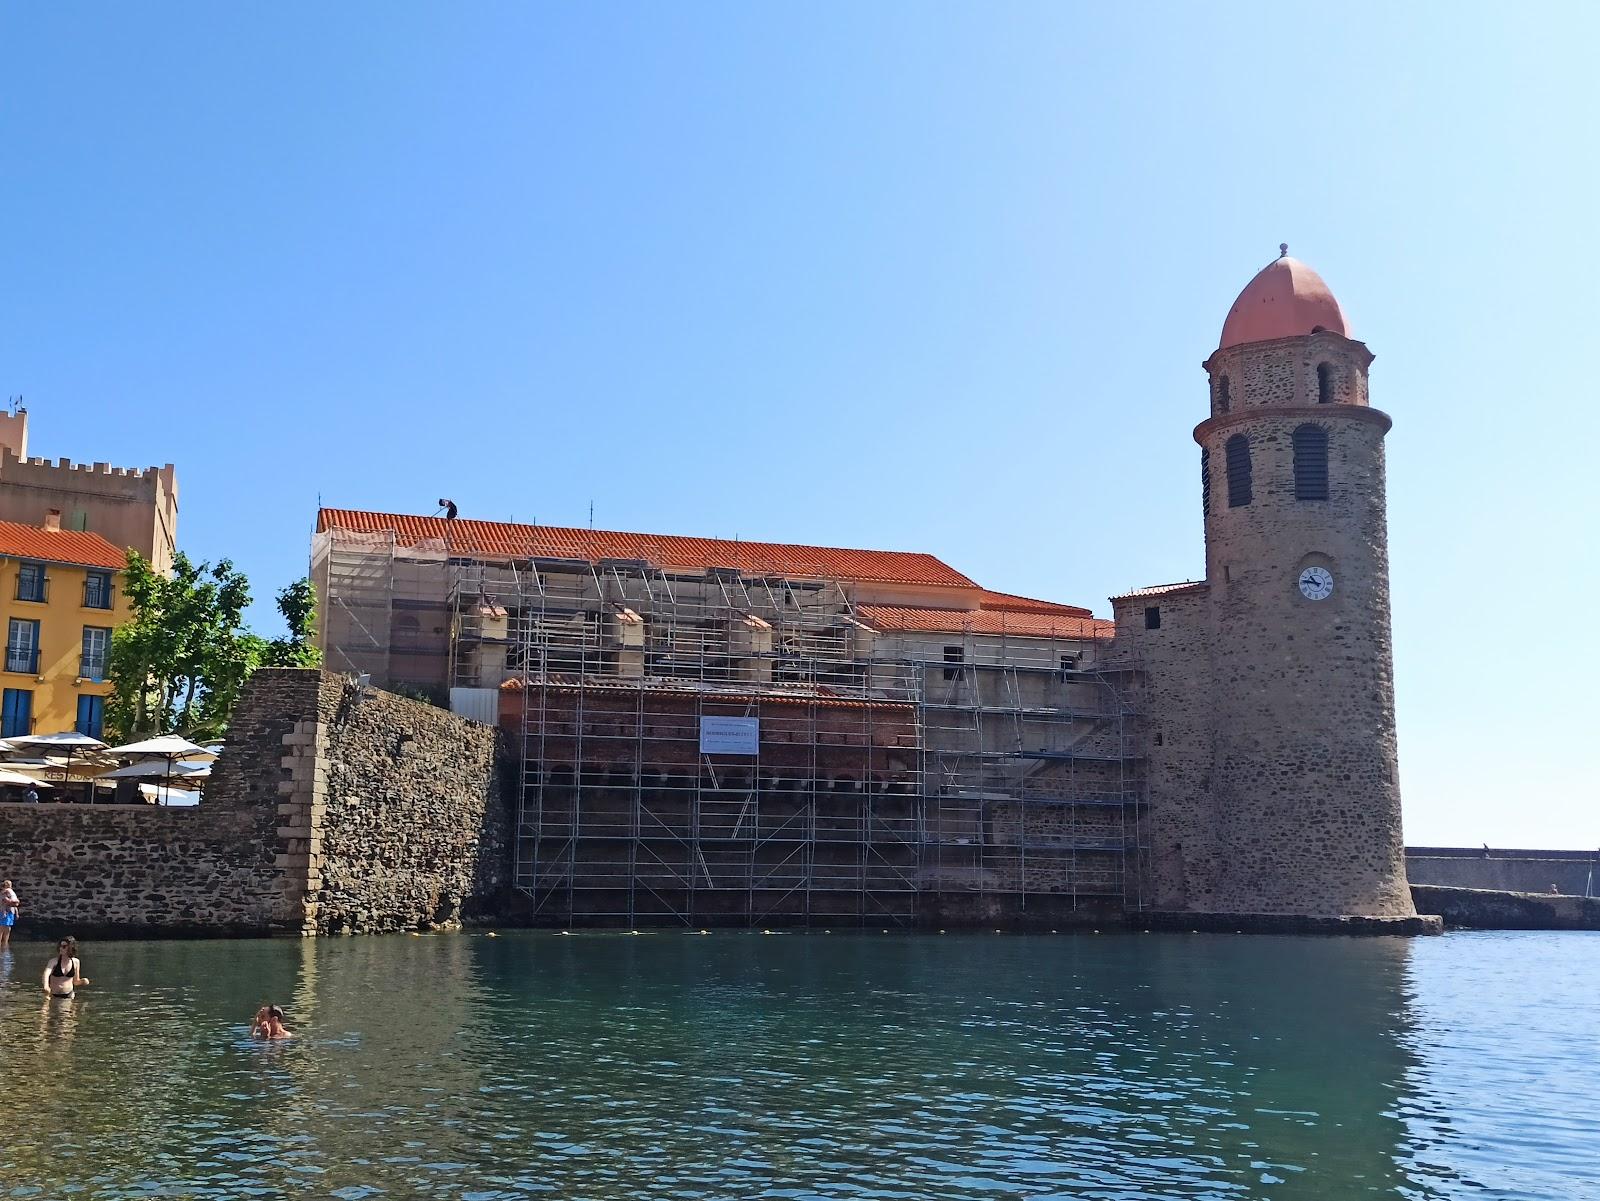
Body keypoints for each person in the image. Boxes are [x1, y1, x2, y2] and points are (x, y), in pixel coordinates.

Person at [0, 880, 18, 949]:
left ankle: (5, 943)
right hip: (4, 911)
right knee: (2, 928)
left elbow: (15, 904)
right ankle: (2, 944)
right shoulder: (4, 892)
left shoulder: (10, 892)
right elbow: (4, 902)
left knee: (8, 928)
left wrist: (16, 912)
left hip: (10, 911)